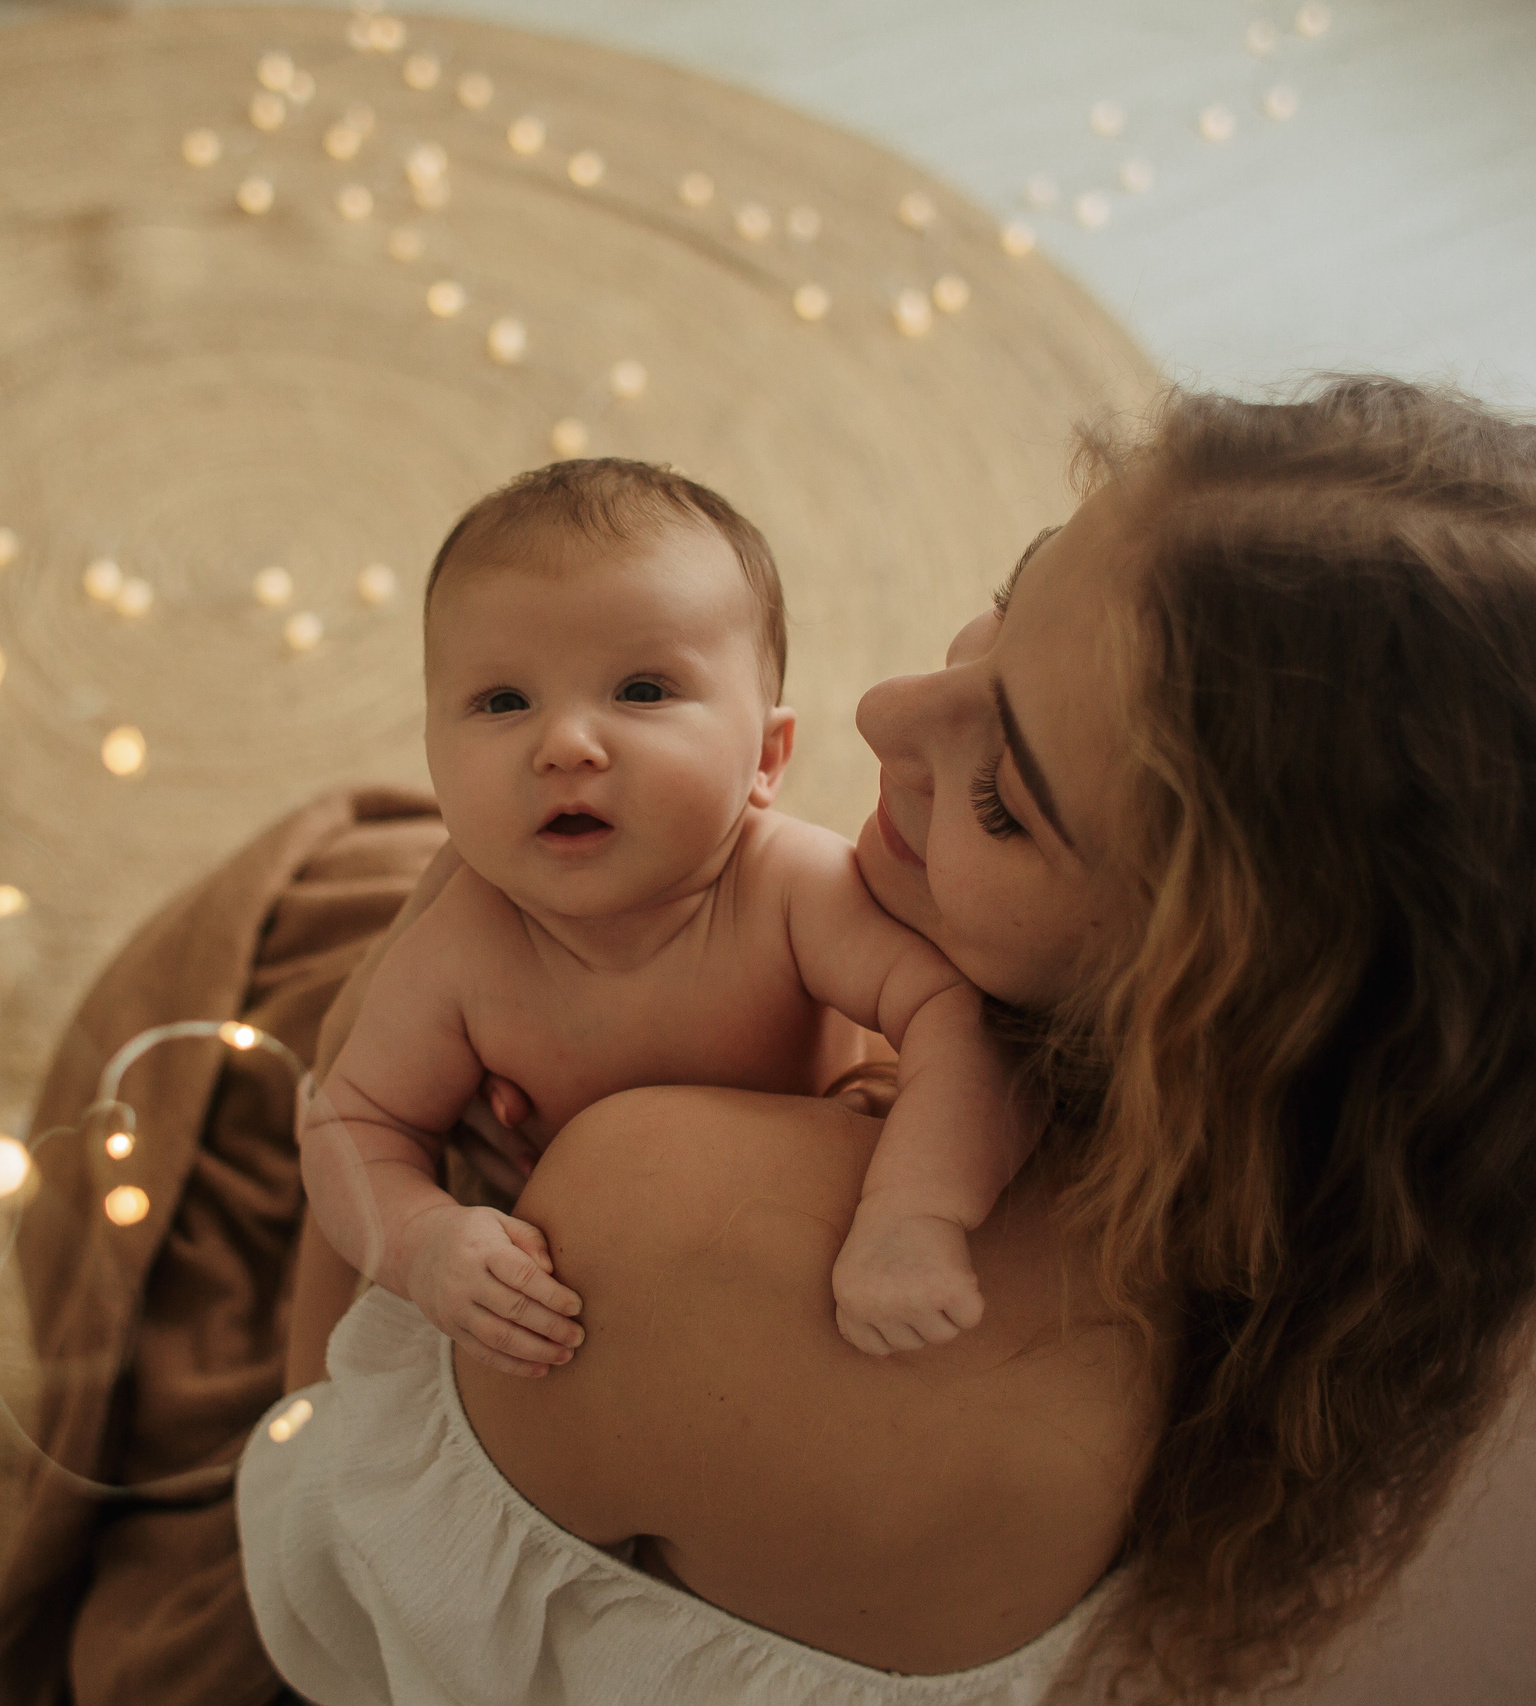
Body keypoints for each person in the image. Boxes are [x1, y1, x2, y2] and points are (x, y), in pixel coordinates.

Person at [245, 377, 1536, 1701]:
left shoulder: (670, 1225)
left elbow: (334, 1576)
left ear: (1201, 996)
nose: (882, 712)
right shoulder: (1368, 1258)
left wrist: (396, 1175)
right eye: (1014, 602)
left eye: (1008, 797)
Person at [300, 459, 1031, 1378]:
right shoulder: (462, 944)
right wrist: (424, 1243)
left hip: (801, 1246)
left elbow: (954, 1017)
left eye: (642, 691)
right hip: (582, 1300)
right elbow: (351, 1127)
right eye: (502, 702)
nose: (565, 745)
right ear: (432, 754)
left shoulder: (789, 886)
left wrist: (914, 1214)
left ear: (766, 757)